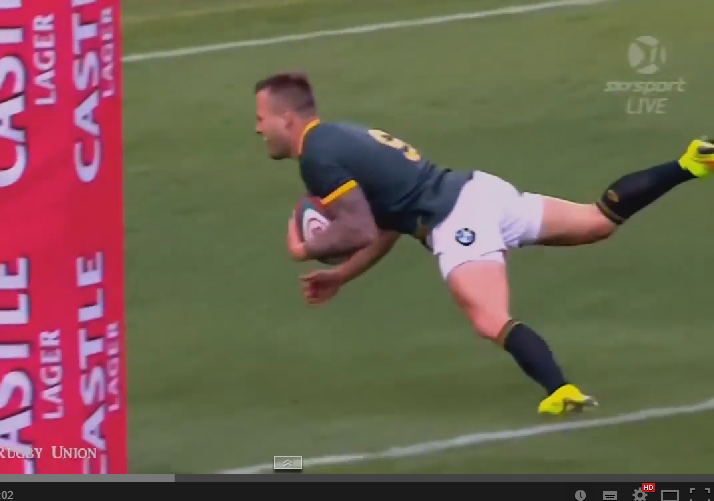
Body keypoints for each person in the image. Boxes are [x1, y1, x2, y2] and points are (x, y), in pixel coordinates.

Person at [254, 71, 713, 415]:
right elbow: (386, 226)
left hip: (456, 218)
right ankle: (691, 163)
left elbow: (358, 231)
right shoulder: (340, 136)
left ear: (286, 118)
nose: (258, 129)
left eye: (261, 119)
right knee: (596, 221)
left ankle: (560, 390)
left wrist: (303, 249)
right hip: (479, 190)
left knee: (489, 317)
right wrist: (340, 275)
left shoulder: (317, 157)